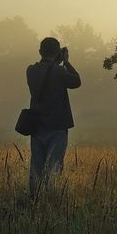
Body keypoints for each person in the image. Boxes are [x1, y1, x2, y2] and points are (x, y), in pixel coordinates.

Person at [27, 37, 81, 197]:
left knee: (36, 165)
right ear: (57, 52)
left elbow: (45, 71)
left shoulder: (30, 70)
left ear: (39, 52)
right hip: (57, 126)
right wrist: (66, 62)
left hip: (36, 125)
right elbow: (76, 81)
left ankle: (34, 198)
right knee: (54, 165)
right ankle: (52, 197)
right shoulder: (59, 71)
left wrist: (56, 62)